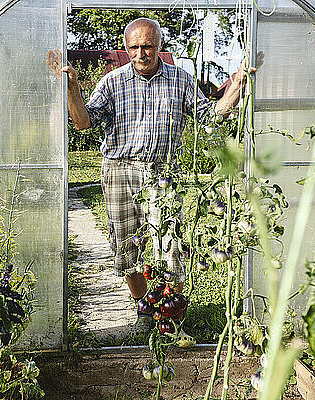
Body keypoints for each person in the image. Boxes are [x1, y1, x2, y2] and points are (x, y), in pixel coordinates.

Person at [46, 17, 252, 334]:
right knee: (126, 247)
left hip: (164, 173)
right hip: (120, 169)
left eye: (147, 45)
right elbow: (83, 122)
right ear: (126, 48)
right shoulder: (113, 82)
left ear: (159, 45)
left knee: (171, 244)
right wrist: (71, 85)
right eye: (134, 47)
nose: (141, 53)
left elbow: (210, 116)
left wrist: (237, 85)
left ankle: (171, 312)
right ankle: (144, 307)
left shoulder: (180, 80)